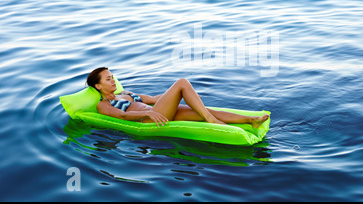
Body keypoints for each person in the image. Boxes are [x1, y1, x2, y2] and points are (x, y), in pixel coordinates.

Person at [86, 67, 269, 128]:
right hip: (149, 120)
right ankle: (210, 120)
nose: (113, 81)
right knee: (181, 82)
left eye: (113, 77)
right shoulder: (104, 104)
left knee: (205, 109)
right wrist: (149, 115)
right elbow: (122, 116)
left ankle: (251, 121)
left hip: (158, 112)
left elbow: (154, 99)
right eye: (108, 79)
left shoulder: (126, 93)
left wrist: (187, 96)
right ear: (98, 86)